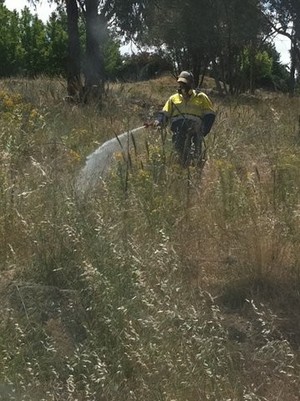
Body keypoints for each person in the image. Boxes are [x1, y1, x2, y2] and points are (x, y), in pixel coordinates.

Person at [154, 71, 216, 164]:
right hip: (178, 132)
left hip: (196, 132)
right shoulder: (173, 98)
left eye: (185, 83)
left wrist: (203, 131)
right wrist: (159, 121)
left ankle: (196, 170)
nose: (182, 86)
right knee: (179, 155)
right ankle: (181, 170)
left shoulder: (201, 97)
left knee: (196, 156)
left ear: (191, 83)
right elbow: (164, 113)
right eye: (180, 83)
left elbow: (210, 115)